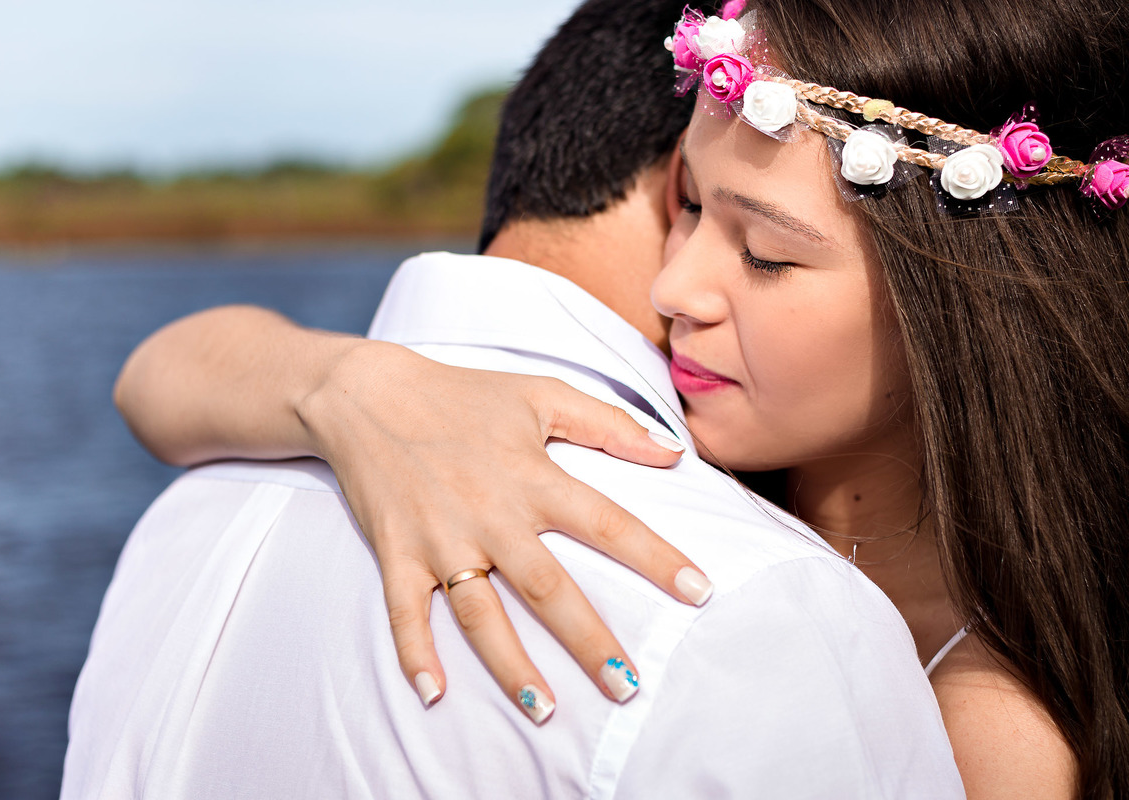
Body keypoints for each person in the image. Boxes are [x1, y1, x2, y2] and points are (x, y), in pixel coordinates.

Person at [110, 0, 1129, 797]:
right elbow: (159, 374)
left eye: (765, 254)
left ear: (965, 305)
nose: (672, 287)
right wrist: (360, 389)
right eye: (687, 207)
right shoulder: (668, 451)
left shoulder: (985, 723)